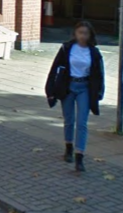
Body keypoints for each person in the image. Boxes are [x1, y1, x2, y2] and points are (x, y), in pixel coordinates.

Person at [44, 21, 106, 172]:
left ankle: (80, 156)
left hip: (84, 87)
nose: (83, 36)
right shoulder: (67, 49)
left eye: (86, 33)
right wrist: (50, 90)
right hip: (69, 86)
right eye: (80, 32)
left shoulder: (94, 52)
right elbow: (55, 69)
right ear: (75, 33)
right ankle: (68, 148)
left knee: (82, 122)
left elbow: (99, 74)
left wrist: (99, 92)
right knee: (69, 120)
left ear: (90, 35)